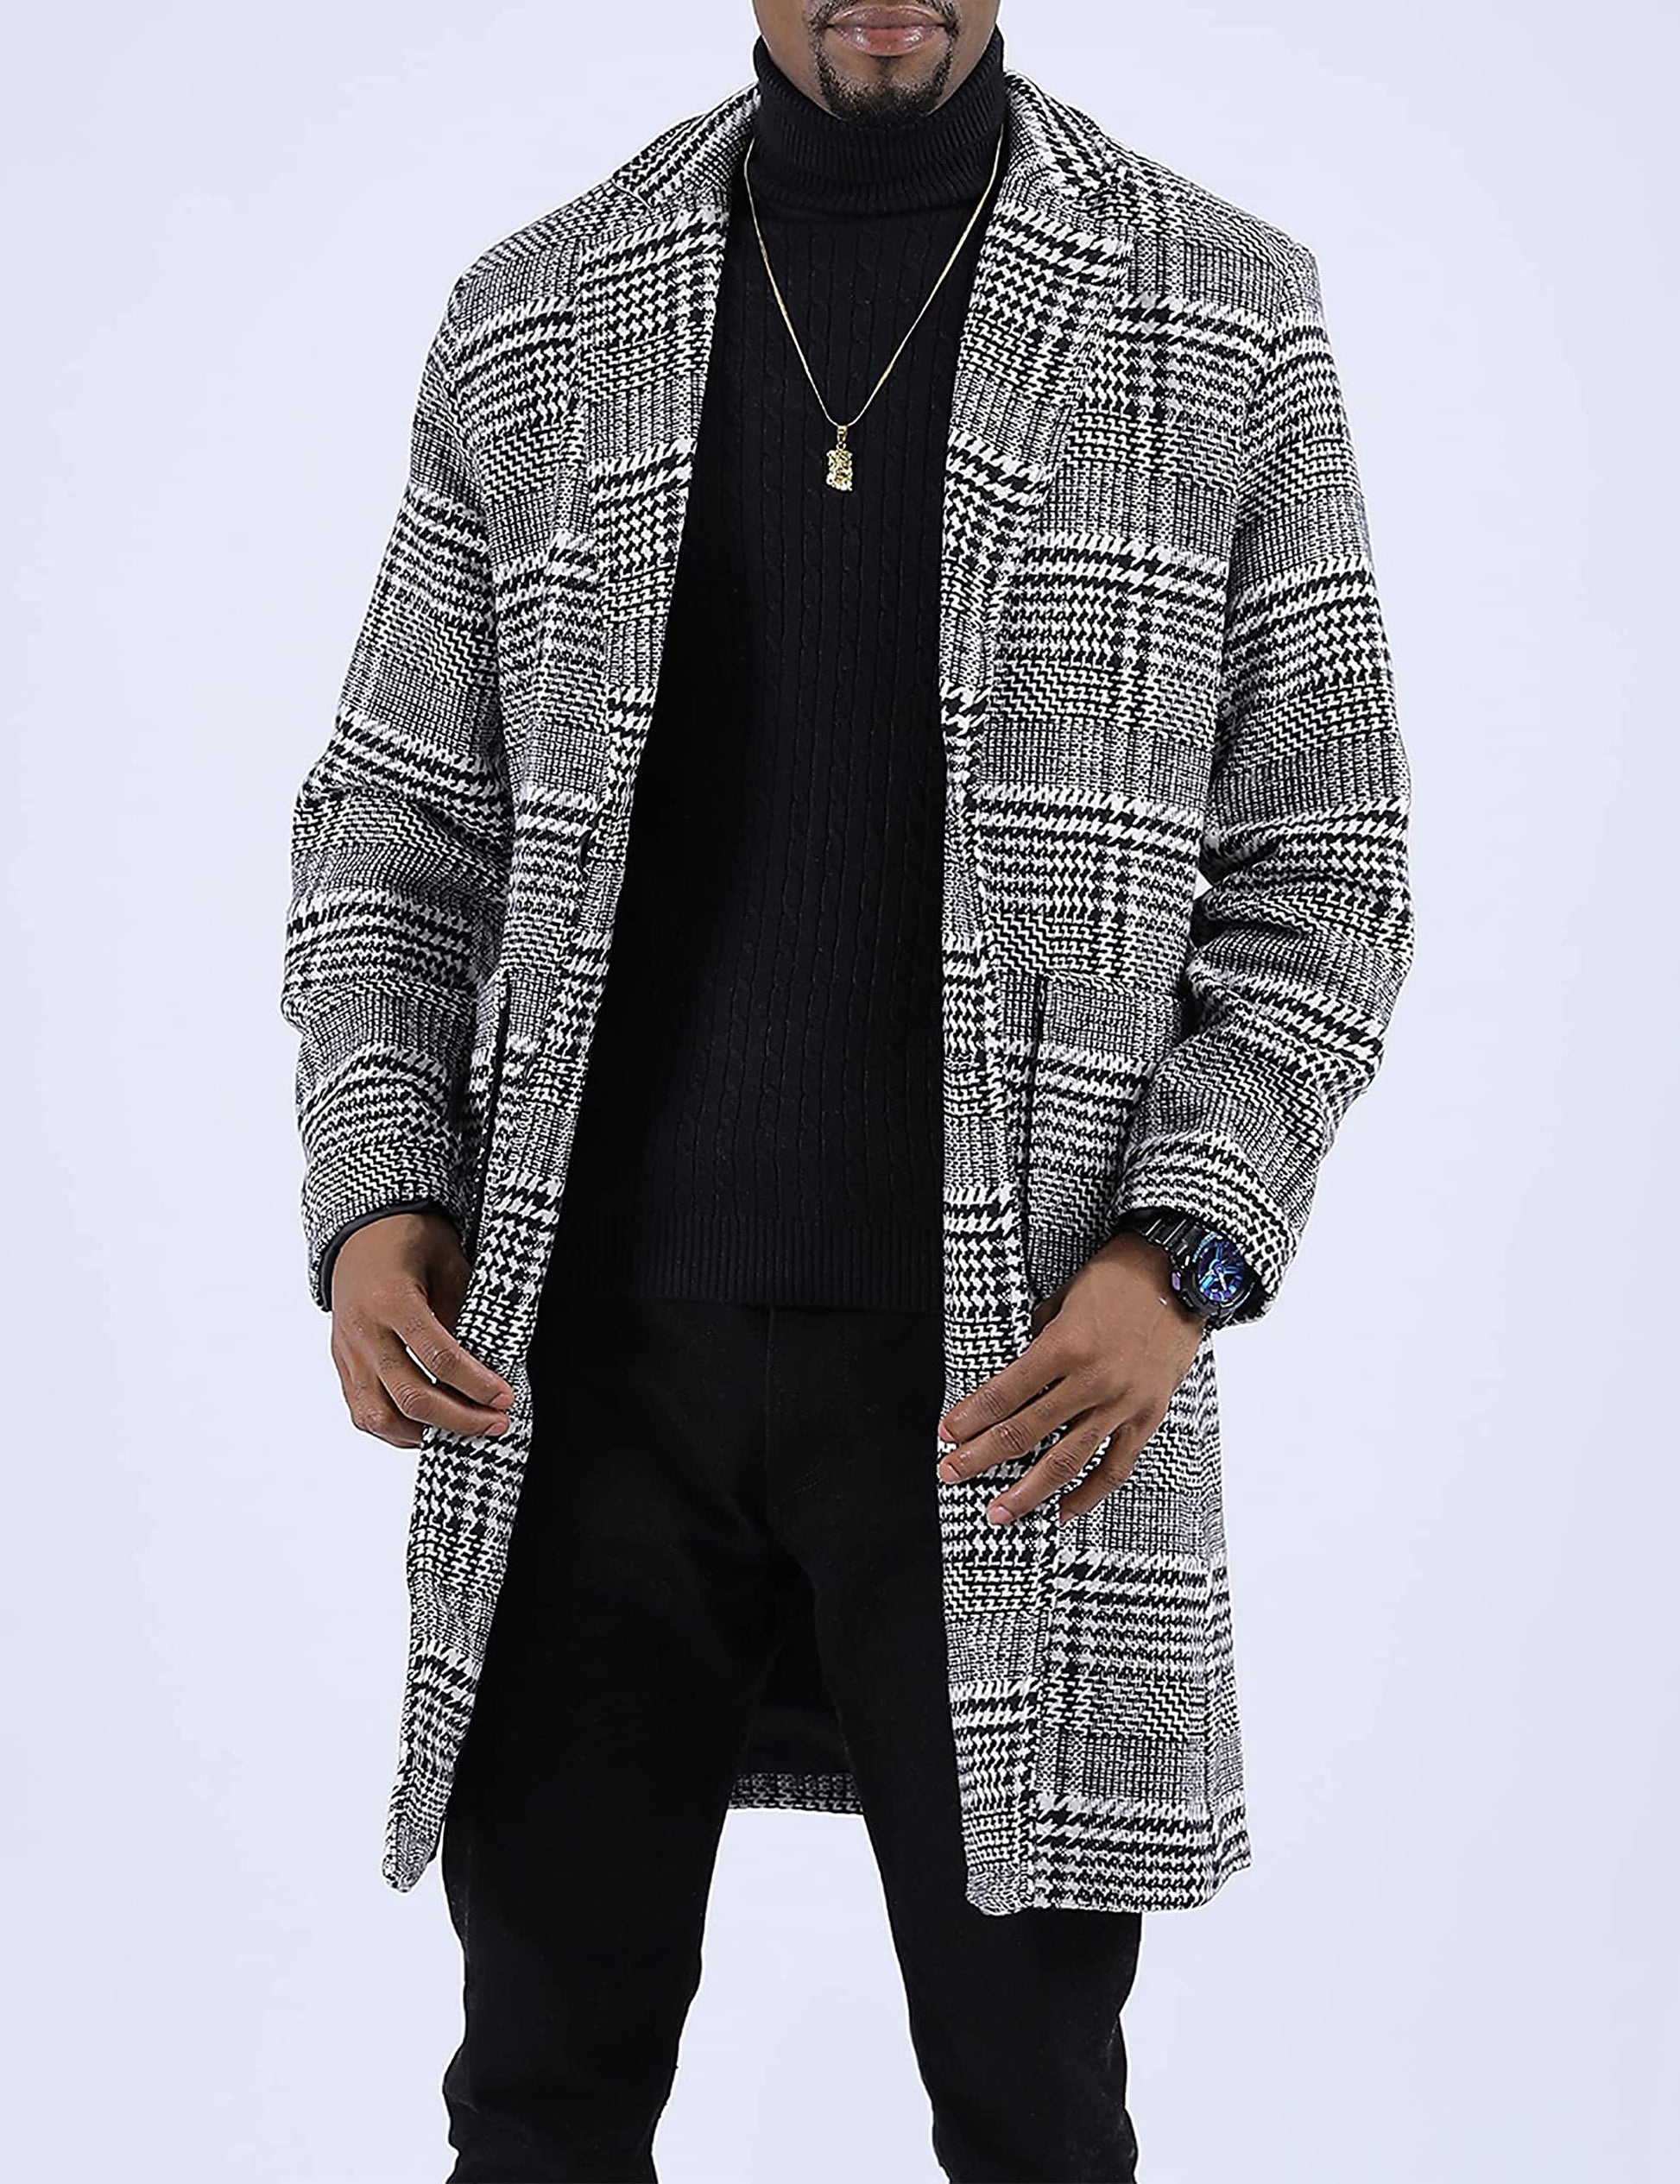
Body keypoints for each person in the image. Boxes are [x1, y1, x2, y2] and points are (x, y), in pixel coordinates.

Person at [280, 3, 1414, 2176]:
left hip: (1014, 1383)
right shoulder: (537, 306)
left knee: (1030, 2108)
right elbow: (396, 827)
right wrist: (375, 1193)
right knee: (537, 2098)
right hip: (581, 1374)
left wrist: (1180, 1256)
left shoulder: (1217, 302)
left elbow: (1325, 866)